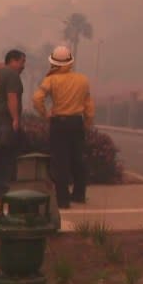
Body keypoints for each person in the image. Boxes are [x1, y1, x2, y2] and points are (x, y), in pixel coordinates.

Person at [32, 46, 94, 209]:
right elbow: (89, 106)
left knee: (61, 162)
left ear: (53, 63)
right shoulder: (83, 80)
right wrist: (86, 124)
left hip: (59, 123)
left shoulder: (51, 80)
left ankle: (63, 200)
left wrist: (45, 113)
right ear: (70, 62)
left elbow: (37, 98)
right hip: (77, 123)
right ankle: (79, 195)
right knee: (78, 159)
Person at [0, 49, 26, 204]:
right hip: (5, 122)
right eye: (22, 62)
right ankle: (0, 192)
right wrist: (15, 119)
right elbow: (12, 97)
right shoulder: (12, 75)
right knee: (4, 158)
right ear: (14, 61)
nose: (23, 66)